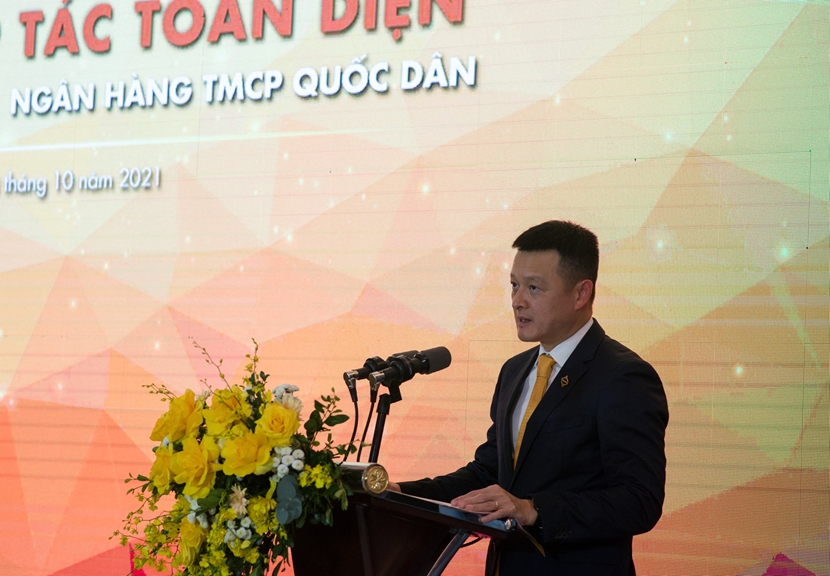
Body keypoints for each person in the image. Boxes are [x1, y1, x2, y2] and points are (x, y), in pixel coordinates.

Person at [388, 220, 669, 576]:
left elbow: (639, 501)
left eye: (534, 288)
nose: (517, 301)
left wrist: (533, 509)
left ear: (581, 294)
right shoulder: (515, 370)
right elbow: (489, 473)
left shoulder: (623, 377)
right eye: (514, 285)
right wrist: (398, 493)